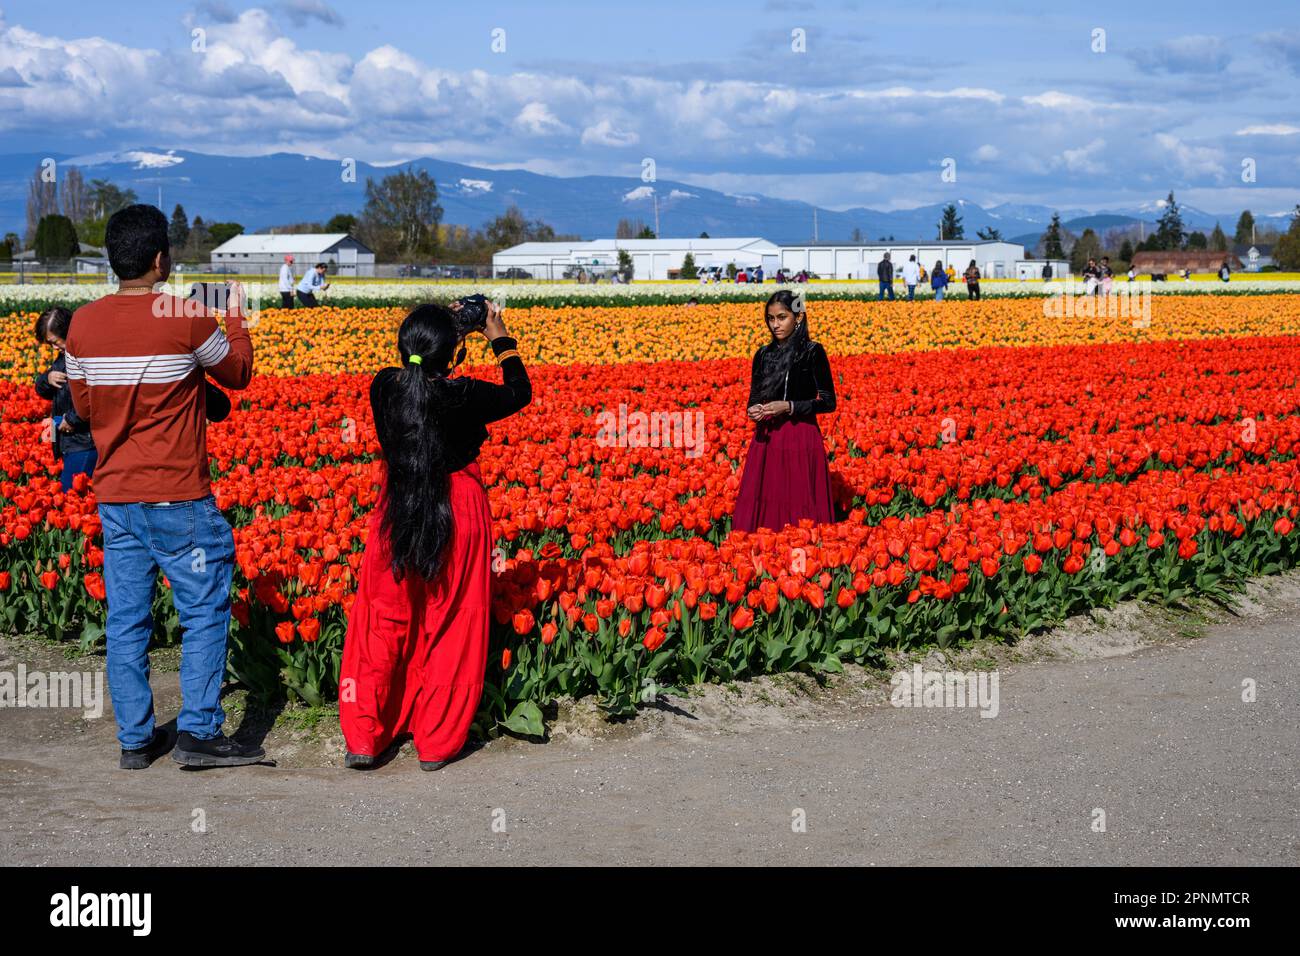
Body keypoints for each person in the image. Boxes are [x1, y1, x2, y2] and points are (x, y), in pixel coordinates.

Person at [64, 204, 257, 770]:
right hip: (178, 493)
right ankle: (198, 732)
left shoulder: (82, 324)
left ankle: (135, 740)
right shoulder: (186, 314)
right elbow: (238, 374)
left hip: (116, 496)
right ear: (160, 259)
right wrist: (238, 318)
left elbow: (81, 406)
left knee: (126, 619)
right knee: (202, 608)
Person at [340, 300, 530, 770]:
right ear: (456, 354)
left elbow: (418, 374)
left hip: (397, 503)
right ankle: (437, 741)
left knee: (383, 618)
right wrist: (496, 334)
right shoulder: (463, 394)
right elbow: (519, 392)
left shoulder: (384, 387)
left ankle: (365, 735)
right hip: (459, 506)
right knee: (453, 620)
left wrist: (442, 327)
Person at [733, 290, 835, 533]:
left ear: (797, 318)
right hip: (767, 438)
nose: (775, 325)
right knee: (769, 499)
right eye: (770, 318)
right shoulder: (763, 354)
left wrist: (789, 406)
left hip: (800, 435)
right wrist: (754, 410)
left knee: (799, 500)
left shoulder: (812, 352)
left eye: (782, 317)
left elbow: (829, 402)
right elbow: (754, 398)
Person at [34, 307, 96, 491]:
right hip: (67, 439)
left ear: (68, 331)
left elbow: (97, 395)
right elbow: (42, 390)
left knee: (72, 495)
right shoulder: (63, 356)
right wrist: (47, 378)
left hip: (84, 440)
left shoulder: (87, 355)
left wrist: (72, 418)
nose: (53, 347)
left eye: (54, 341)